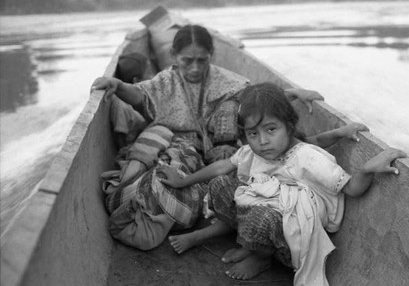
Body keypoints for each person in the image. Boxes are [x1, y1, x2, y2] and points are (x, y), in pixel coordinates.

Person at [161, 83, 406, 286]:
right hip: (261, 219)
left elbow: (351, 188)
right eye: (252, 134)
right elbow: (221, 166)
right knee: (221, 185)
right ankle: (245, 243)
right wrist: (183, 181)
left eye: (270, 130)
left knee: (262, 214)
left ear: (288, 128)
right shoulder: (254, 152)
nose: (263, 141)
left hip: (290, 240)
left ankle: (260, 257)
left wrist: (367, 169)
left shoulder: (308, 157)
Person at [91, 24, 330, 251]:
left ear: (211, 55)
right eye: (187, 61)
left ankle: (164, 209)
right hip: (181, 145)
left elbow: (259, 100)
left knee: (228, 117)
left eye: (201, 60)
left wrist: (295, 94)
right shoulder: (165, 81)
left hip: (220, 149)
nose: (194, 68)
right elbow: (139, 95)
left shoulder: (225, 80)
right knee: (163, 169)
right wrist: (117, 85)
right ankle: (145, 199)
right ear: (174, 56)